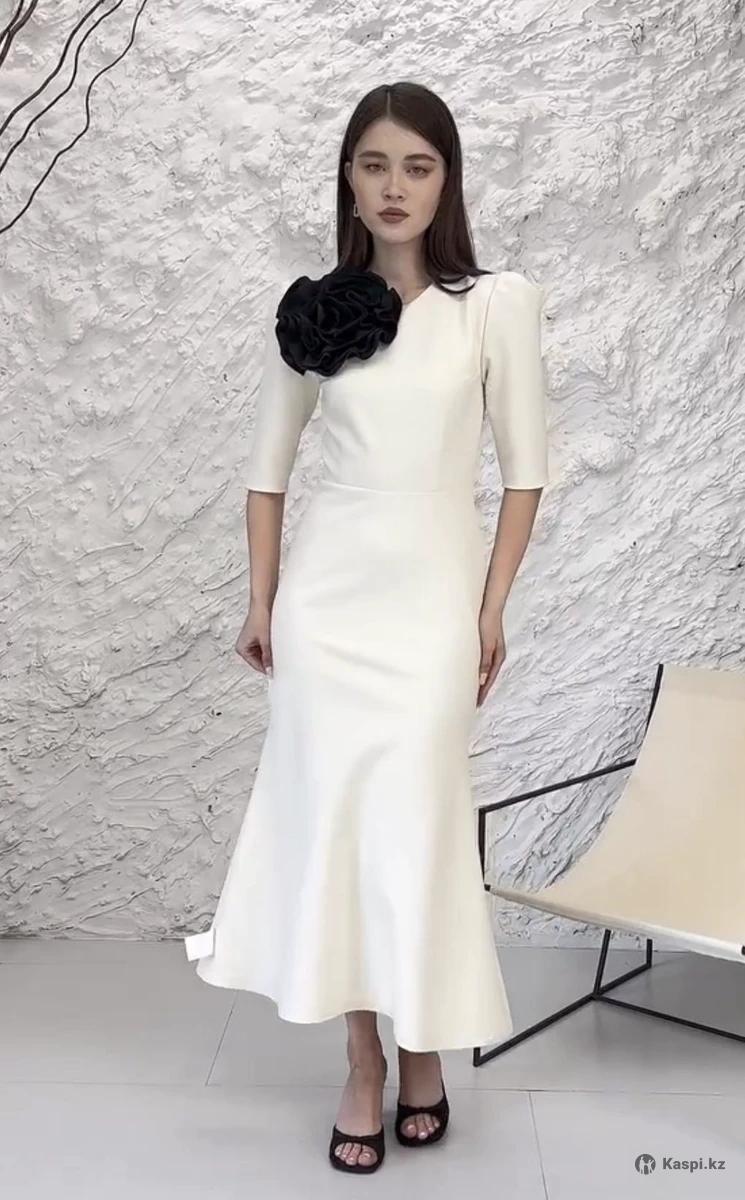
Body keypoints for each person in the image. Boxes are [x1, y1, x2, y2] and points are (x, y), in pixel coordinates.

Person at [184, 80, 550, 1175]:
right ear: (348, 177)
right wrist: (261, 602)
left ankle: (425, 1041)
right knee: (338, 825)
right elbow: (266, 475)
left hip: (433, 605)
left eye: (418, 166)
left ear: (447, 182)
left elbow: (525, 473)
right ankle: (363, 1059)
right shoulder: (313, 312)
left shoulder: (495, 305)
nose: (395, 187)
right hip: (326, 609)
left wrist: (490, 609)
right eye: (375, 164)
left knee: (418, 822)